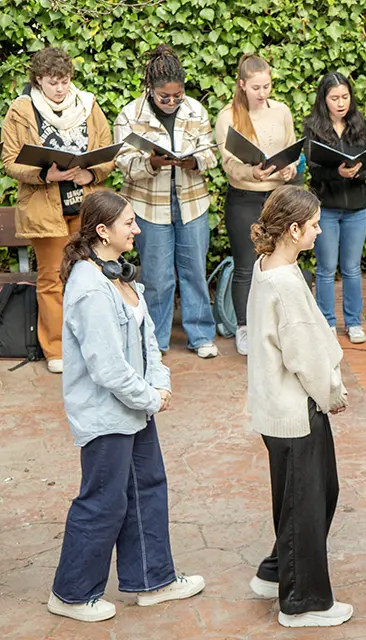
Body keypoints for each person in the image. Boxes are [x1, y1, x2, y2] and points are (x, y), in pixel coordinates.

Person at [48, 191, 204, 623]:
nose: (137, 230)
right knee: (104, 501)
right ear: (103, 231)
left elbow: (149, 340)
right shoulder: (89, 287)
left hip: (136, 409)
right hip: (106, 415)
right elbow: (107, 368)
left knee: (148, 489)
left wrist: (160, 383)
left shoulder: (122, 276)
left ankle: (153, 581)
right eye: (129, 223)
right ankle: (72, 593)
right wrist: (150, 397)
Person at [244, 186, 353, 628]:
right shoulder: (285, 282)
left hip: (278, 408)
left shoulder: (268, 266)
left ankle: (275, 573)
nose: (319, 231)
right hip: (297, 411)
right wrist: (332, 394)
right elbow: (305, 354)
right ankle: (302, 602)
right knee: (308, 503)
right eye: (312, 225)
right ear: (293, 230)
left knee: (302, 496)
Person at [0, 47, 115, 374]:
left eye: (65, 81)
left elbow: (107, 152)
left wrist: (91, 173)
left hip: (86, 206)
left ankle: (93, 343)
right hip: (45, 208)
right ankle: (57, 349)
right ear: (38, 80)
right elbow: (9, 161)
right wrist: (43, 174)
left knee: (91, 276)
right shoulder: (21, 111)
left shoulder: (89, 104)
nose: (61, 88)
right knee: (52, 278)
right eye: (53, 82)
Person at [114, 44, 220, 358]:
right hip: (148, 205)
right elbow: (122, 161)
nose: (172, 102)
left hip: (191, 202)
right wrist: (152, 164)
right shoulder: (130, 114)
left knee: (194, 272)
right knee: (156, 277)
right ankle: (156, 339)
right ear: (150, 90)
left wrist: (196, 162)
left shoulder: (196, 111)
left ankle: (201, 336)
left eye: (178, 95)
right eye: (164, 97)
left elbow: (210, 153)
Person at [215, 54, 298, 356]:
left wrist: (290, 168)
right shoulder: (228, 117)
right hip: (245, 197)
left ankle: (280, 324)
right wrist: (252, 172)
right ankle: (244, 327)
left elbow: (291, 150)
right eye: (256, 88)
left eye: (267, 86)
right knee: (246, 265)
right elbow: (228, 163)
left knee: (283, 262)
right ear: (241, 85)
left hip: (278, 196)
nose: (263, 94)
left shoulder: (282, 111)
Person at [304, 72, 366, 344]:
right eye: (334, 98)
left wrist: (360, 172)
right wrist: (337, 173)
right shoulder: (313, 127)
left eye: (345, 97)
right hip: (327, 207)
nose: (340, 103)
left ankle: (354, 321)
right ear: (324, 100)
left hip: (356, 207)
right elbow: (313, 168)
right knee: (325, 268)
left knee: (351, 267)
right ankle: (327, 321)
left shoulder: (360, 124)